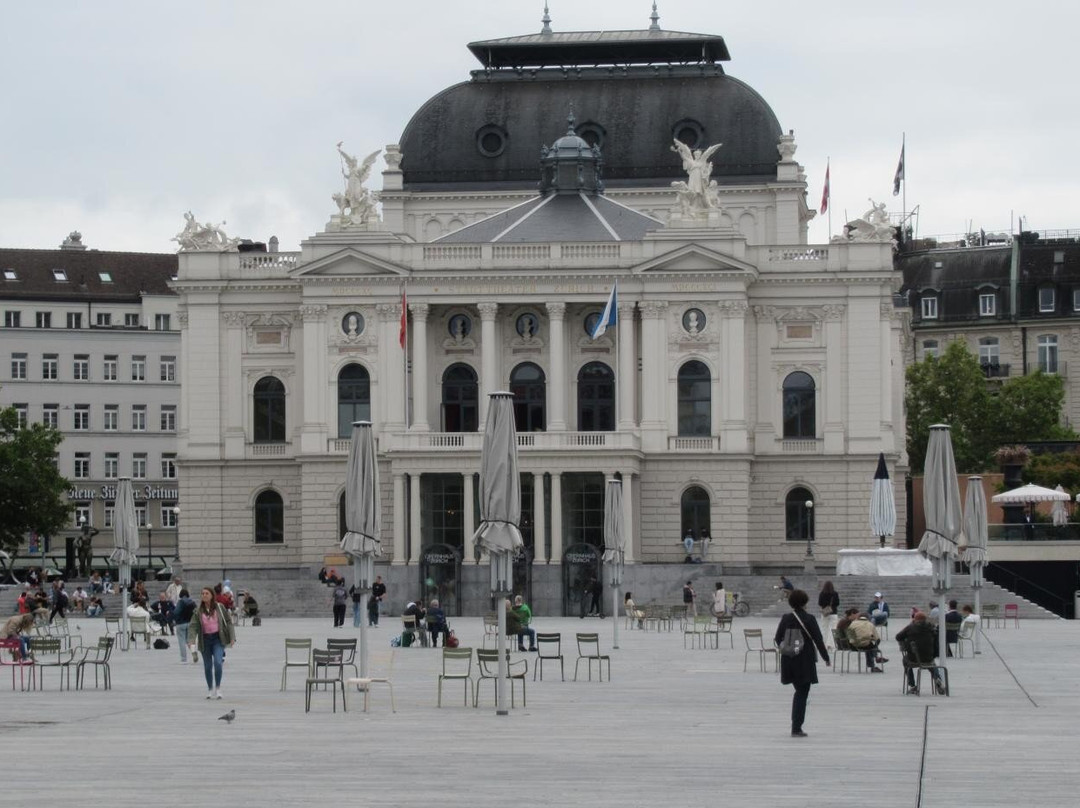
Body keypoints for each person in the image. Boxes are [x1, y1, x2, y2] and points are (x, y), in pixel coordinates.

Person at [774, 589, 829, 737]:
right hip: (805, 660)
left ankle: (796, 725)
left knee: (798, 691)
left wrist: (790, 647)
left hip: (789, 659)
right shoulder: (809, 619)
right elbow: (818, 639)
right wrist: (826, 657)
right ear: (805, 602)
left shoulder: (786, 618)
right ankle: (796, 727)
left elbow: (778, 638)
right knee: (802, 693)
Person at [190, 587, 234, 699]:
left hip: (218, 639)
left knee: (218, 663)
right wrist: (191, 640)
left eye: (206, 593)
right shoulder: (198, 610)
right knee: (207, 666)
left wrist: (232, 637)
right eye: (202, 593)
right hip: (205, 640)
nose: (204, 595)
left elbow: (228, 622)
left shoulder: (220, 607)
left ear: (212, 595)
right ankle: (210, 689)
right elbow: (193, 626)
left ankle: (218, 688)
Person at [896, 611, 945, 695]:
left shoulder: (910, 627)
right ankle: (937, 679)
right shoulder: (931, 627)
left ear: (915, 620)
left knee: (905, 660)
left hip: (913, 658)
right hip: (928, 657)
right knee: (932, 664)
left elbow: (898, 637)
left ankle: (912, 685)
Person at [174, 588, 197, 664]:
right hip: (190, 623)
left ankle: (184, 659)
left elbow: (176, 612)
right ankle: (193, 652)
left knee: (181, 641)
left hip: (181, 623)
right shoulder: (192, 602)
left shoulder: (180, 602)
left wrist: (175, 619)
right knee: (189, 640)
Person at [818, 581, 840, 650]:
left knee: (824, 629)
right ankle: (830, 644)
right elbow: (837, 603)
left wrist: (825, 606)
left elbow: (819, 603)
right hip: (833, 612)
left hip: (824, 613)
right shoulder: (835, 593)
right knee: (832, 629)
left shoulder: (822, 593)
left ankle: (823, 644)